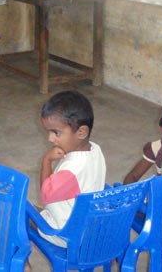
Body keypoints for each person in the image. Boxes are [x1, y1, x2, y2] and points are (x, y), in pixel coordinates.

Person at [36, 91, 105, 247]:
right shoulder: (96, 149)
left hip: (66, 234)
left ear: (81, 132)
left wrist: (46, 161)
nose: (50, 138)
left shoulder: (72, 169)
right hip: (89, 227)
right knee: (35, 209)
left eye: (56, 132)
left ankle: (22, 260)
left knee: (19, 210)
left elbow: (45, 195)